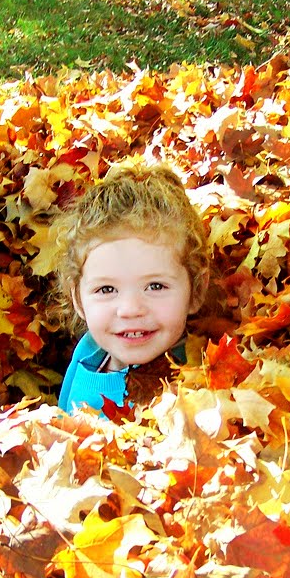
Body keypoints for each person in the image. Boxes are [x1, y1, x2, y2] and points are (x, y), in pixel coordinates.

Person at [53, 163, 209, 413]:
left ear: (196, 290)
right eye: (106, 289)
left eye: (155, 286)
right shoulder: (89, 351)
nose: (130, 310)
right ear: (78, 300)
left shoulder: (195, 387)